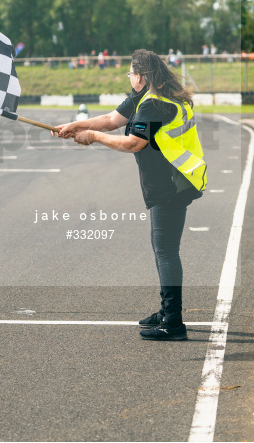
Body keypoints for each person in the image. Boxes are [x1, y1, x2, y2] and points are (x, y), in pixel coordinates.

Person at [54, 49, 207, 341]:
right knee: (161, 247)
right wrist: (75, 125)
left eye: (130, 73)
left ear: (139, 75)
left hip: (170, 183)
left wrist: (94, 137)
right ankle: (167, 311)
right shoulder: (151, 96)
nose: (129, 78)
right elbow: (113, 119)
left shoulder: (153, 105)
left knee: (165, 251)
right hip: (175, 180)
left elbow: (133, 143)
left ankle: (173, 321)